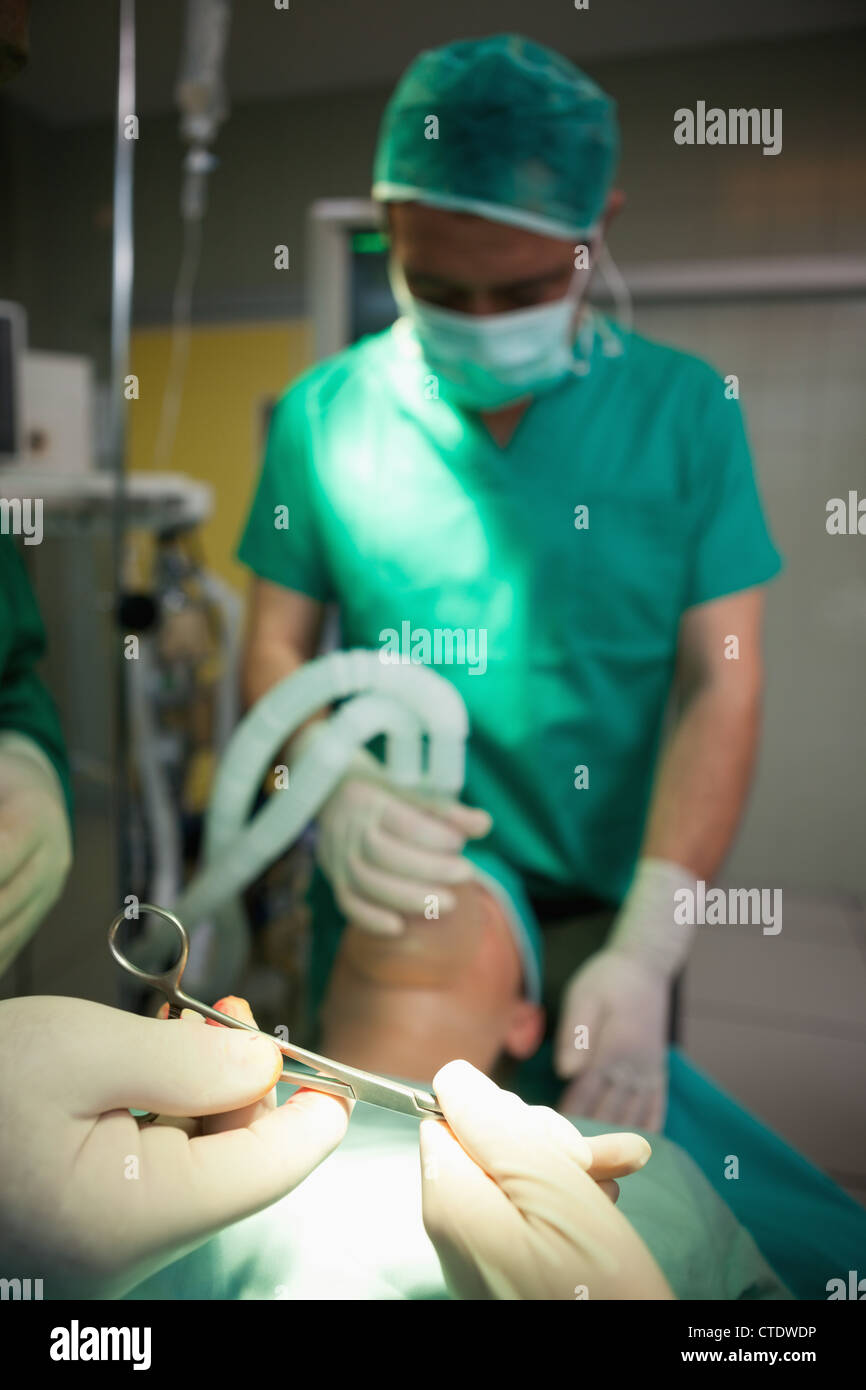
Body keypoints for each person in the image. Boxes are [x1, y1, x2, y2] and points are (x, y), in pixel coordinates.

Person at [238, 33, 782, 1131]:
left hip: (605, 905)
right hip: (395, 898)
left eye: (524, 288)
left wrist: (650, 940)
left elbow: (721, 679)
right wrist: (328, 785)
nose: (483, 324)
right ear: (387, 226)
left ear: (598, 229)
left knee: (597, 1215)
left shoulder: (682, 414)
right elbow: (273, 648)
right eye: (440, 288)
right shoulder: (323, 416)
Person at [124, 876, 789, 1301]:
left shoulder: (642, 1166)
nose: (430, 884)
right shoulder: (159, 1124)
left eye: (475, 886)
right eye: (399, 879)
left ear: (525, 1020)